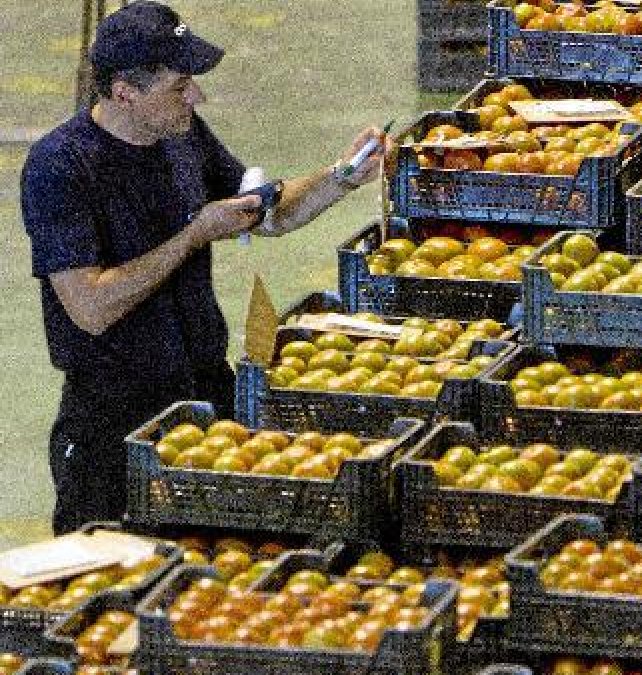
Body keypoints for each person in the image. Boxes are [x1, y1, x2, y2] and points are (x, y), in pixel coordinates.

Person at [20, 0, 389, 534]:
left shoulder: (181, 136)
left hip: (204, 397)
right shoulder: (62, 167)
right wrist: (193, 236)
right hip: (116, 423)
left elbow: (263, 214)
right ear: (125, 92)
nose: (197, 95)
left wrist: (343, 176)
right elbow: (90, 307)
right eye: (179, 86)